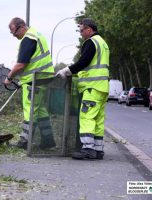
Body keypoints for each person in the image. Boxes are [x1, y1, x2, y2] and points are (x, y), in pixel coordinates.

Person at [56, 18, 110, 160]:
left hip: (92, 87)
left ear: (89, 29)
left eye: (81, 30)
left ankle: (87, 149)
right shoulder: (103, 43)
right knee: (98, 119)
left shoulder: (91, 42)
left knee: (87, 117)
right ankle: (98, 150)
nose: (80, 34)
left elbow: (83, 62)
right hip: (102, 88)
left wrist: (67, 71)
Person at [3, 17, 56, 150]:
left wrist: (9, 78)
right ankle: (48, 141)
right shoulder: (37, 35)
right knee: (40, 110)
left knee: (30, 110)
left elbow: (21, 65)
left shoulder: (28, 39)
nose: (13, 35)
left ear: (21, 27)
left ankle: (25, 141)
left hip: (35, 81)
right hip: (43, 78)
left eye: (13, 32)